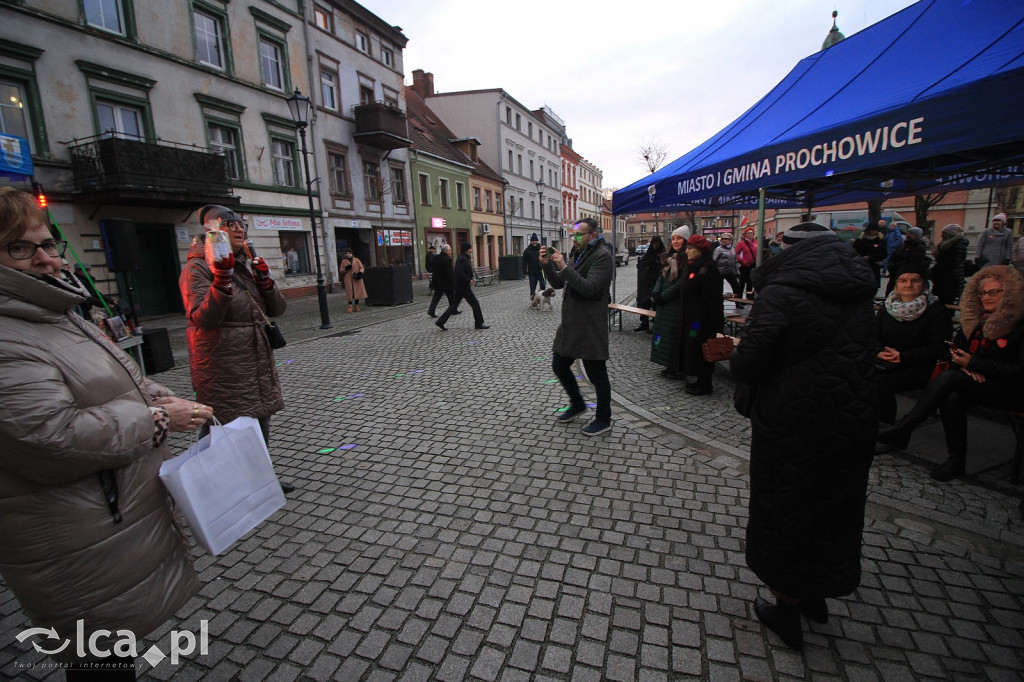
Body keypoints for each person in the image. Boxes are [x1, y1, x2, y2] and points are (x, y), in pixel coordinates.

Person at [0, 187, 205, 678]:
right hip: (69, 532)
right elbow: (49, 437)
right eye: (20, 248)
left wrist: (162, 398)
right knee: (98, 660)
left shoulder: (56, 312)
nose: (46, 259)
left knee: (112, 653)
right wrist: (156, 419)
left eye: (48, 244)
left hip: (109, 519)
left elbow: (122, 378)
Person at [729, 222, 877, 650]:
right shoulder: (859, 290)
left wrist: (735, 353)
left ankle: (787, 609)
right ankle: (817, 595)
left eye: (778, 245)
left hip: (794, 419)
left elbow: (751, 362)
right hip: (850, 416)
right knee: (833, 506)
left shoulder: (782, 290)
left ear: (790, 249)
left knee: (788, 506)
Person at [179, 204, 294, 493]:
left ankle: (261, 478)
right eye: (231, 225)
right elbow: (203, 316)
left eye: (242, 224)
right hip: (222, 360)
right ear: (212, 230)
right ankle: (216, 485)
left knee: (259, 415)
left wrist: (265, 281)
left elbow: (278, 309)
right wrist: (222, 280)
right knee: (223, 421)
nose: (240, 229)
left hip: (254, 354)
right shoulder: (198, 267)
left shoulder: (246, 262)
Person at [877, 265, 1024, 481]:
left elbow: (1019, 370)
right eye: (983, 292)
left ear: (1011, 293)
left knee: (950, 380)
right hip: (972, 380)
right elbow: (957, 352)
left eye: (995, 292)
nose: (987, 297)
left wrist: (973, 364)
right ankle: (956, 460)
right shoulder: (976, 321)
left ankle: (905, 426)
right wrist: (968, 366)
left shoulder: (1019, 324)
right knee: (952, 397)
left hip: (1012, 389)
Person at [541, 218, 614, 436]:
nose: (576, 238)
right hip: (572, 322)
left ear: (593, 235)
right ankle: (578, 403)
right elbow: (558, 284)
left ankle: (603, 418)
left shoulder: (602, 256)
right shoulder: (577, 254)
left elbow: (590, 288)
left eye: (580, 234)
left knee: (596, 375)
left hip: (590, 323)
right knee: (559, 364)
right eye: (574, 235)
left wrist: (564, 266)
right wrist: (547, 266)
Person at [874, 265, 953, 426]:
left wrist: (903, 357)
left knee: (880, 383)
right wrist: (879, 352)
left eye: (914, 280)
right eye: (903, 280)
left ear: (924, 284)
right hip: (886, 361)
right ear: (896, 284)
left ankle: (884, 427)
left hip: (920, 366)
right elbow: (873, 335)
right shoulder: (888, 307)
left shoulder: (937, 311)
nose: (908, 285)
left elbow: (940, 347)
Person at [678, 234, 724, 396]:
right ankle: (699, 380)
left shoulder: (708, 268)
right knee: (693, 348)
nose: (687, 251)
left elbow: (714, 300)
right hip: (691, 318)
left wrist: (719, 326)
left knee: (700, 349)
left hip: (701, 320)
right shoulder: (695, 266)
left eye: (690, 248)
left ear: (699, 250)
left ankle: (705, 384)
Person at [650, 238, 686, 378]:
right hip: (663, 305)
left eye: (679, 239)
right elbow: (661, 278)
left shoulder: (685, 260)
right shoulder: (669, 259)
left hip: (675, 304)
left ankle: (675, 366)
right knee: (662, 335)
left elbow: (680, 284)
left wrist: (663, 296)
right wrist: (656, 293)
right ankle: (667, 364)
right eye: (674, 239)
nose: (676, 242)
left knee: (672, 336)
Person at [436, 243, 489, 330]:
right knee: (475, 304)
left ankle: (440, 321)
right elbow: (459, 272)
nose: (471, 250)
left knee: (453, 305)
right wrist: (468, 280)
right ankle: (479, 323)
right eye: (470, 249)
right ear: (466, 249)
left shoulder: (463, 258)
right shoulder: (462, 259)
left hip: (460, 287)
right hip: (463, 287)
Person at [930, 223, 970, 305]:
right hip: (947, 278)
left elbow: (951, 262)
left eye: (944, 233)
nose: (942, 235)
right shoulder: (947, 244)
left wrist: (937, 267)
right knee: (944, 301)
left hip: (951, 279)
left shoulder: (957, 245)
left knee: (948, 302)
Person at [633, 234, 665, 332]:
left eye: (657, 244)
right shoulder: (649, 252)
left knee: (655, 304)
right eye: (654, 244)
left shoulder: (663, 253)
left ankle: (655, 324)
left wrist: (657, 263)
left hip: (659, 283)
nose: (655, 246)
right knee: (644, 302)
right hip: (649, 282)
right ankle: (644, 323)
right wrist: (652, 262)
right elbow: (643, 262)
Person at [884, 226, 929, 296]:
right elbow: (895, 256)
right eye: (908, 233)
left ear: (916, 236)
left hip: (905, 274)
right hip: (895, 273)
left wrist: (898, 265)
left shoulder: (919, 247)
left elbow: (912, 260)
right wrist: (891, 265)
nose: (908, 235)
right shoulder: (903, 245)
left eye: (911, 234)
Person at [852, 222, 887, 290]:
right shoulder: (859, 241)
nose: (871, 232)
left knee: (873, 285)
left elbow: (884, 254)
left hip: (874, 266)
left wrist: (870, 257)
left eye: (873, 230)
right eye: (869, 230)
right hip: (861, 266)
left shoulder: (881, 241)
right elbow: (853, 253)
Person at [427, 244, 454, 318]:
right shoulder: (447, 259)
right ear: (446, 251)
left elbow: (432, 266)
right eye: (450, 250)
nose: (451, 252)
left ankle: (431, 310)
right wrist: (453, 280)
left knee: (437, 296)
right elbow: (449, 272)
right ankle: (453, 310)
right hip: (445, 282)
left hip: (436, 281)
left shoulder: (436, 257)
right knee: (451, 295)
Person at [713, 233, 742, 301]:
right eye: (723, 239)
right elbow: (714, 260)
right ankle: (719, 303)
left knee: (736, 287)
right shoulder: (718, 249)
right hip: (720, 272)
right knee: (719, 289)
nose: (724, 240)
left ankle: (738, 302)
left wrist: (737, 271)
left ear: (730, 241)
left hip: (730, 271)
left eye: (726, 239)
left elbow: (735, 261)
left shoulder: (732, 249)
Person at [341, 248, 367, 312]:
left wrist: (360, 272)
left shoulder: (356, 260)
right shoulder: (344, 261)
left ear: (351, 254)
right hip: (348, 278)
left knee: (356, 291)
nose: (348, 255)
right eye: (346, 253)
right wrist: (346, 269)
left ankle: (357, 305)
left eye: (349, 253)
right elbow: (341, 270)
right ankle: (350, 306)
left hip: (356, 277)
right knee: (350, 292)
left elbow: (361, 267)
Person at [735, 226, 758, 298]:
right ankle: (739, 297)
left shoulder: (756, 242)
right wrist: (742, 261)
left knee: (750, 282)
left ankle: (749, 297)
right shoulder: (741, 243)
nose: (750, 234)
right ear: (745, 234)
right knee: (742, 283)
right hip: (744, 266)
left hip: (753, 265)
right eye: (748, 233)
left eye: (751, 233)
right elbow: (736, 253)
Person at [522, 233, 547, 298]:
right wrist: (524, 270)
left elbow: (546, 259)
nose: (534, 242)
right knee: (532, 287)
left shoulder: (541, 249)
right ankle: (533, 300)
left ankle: (542, 297)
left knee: (543, 285)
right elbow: (524, 261)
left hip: (541, 271)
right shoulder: (527, 250)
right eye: (533, 241)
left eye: (535, 241)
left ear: (537, 241)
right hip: (532, 272)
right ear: (531, 241)